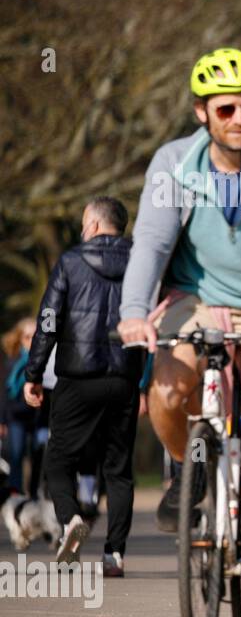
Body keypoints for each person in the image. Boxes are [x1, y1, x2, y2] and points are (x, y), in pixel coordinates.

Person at [117, 47, 241, 617]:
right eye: (225, 109)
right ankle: (189, 463)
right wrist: (136, 310)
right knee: (170, 388)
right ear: (202, 112)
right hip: (195, 298)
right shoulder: (174, 162)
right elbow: (153, 242)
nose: (239, 119)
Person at [22, 198, 143, 573]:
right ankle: (114, 554)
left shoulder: (71, 263)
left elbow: (47, 322)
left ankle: (70, 519)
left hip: (78, 377)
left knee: (58, 460)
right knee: (118, 469)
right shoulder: (142, 262)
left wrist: (34, 373)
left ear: (91, 224)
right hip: (124, 376)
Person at [1, 318, 40, 497]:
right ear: (19, 338)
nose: (31, 341)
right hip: (15, 417)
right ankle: (15, 495)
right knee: (16, 455)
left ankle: (34, 494)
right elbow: (3, 393)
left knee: (39, 453)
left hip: (38, 416)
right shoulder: (11, 362)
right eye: (27, 336)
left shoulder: (44, 361)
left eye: (36, 336)